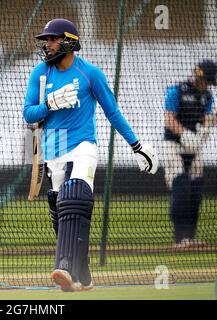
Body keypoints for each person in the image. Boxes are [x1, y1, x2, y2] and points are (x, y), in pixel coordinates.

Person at [23, 18, 159, 292]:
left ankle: (64, 267)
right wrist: (49, 104)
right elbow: (29, 114)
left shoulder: (90, 74)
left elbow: (112, 112)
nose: (47, 45)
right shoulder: (40, 73)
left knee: (74, 197)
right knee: (60, 212)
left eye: (52, 39)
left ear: (69, 41)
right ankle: (83, 277)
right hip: (53, 148)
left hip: (83, 144)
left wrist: (137, 145)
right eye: (45, 40)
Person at [162, 59, 217, 249]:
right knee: (181, 186)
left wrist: (205, 130)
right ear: (198, 77)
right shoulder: (176, 91)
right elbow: (169, 119)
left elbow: (206, 119)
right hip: (173, 144)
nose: (207, 86)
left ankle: (191, 237)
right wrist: (185, 134)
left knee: (196, 187)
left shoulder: (207, 97)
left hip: (193, 148)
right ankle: (180, 238)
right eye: (207, 82)